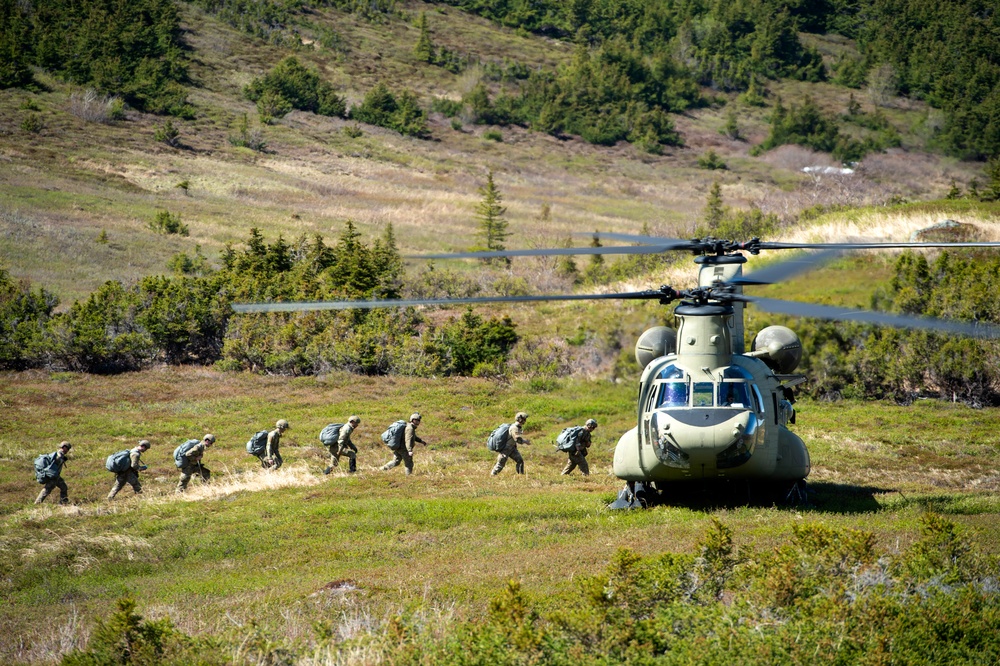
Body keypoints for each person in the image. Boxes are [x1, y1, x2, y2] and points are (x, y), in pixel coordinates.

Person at [491, 412, 530, 476]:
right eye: (524, 419)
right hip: (506, 449)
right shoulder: (514, 428)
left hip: (511, 448)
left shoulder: (518, 427)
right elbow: (517, 439)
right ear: (520, 419)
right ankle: (492, 476)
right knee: (500, 464)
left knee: (520, 461)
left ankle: (521, 475)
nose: (525, 421)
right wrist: (525, 441)